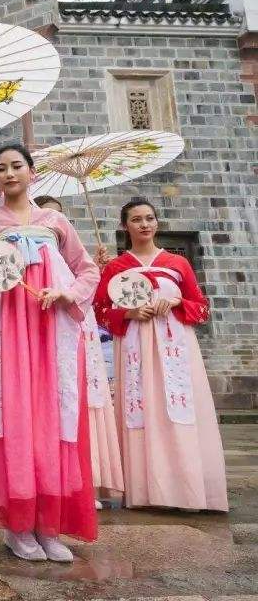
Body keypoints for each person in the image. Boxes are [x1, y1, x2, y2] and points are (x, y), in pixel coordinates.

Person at [0, 144, 99, 562]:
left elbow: (88, 270)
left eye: (17, 165)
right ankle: (17, 525)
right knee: (14, 417)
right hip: (7, 332)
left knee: (53, 417)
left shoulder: (56, 222)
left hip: (49, 329)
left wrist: (66, 293)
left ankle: (49, 524)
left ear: (32, 173)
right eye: (1, 168)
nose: (9, 173)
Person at [93, 199, 227, 512]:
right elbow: (99, 311)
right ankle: (145, 491)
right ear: (125, 226)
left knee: (179, 412)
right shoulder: (116, 268)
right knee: (141, 412)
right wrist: (128, 313)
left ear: (157, 222)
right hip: (135, 349)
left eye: (149, 218)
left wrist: (178, 303)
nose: (144, 224)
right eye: (136, 219)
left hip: (175, 348)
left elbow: (201, 308)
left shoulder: (177, 263)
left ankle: (187, 492)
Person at [34, 195, 124, 508]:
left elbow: (95, 291)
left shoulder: (73, 255)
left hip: (78, 326)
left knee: (83, 400)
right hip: (44, 327)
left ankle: (88, 480)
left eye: (57, 217)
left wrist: (101, 269)